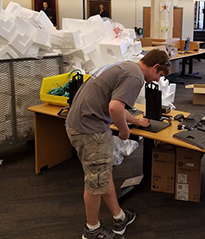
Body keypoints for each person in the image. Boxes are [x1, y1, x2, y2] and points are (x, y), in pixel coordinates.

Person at [66, 49, 170, 239]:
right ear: (155, 67)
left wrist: (136, 122)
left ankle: (119, 216)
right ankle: (91, 229)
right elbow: (114, 108)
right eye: (159, 75)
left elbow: (115, 105)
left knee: (102, 174)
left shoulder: (126, 66)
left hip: (81, 123)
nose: (156, 81)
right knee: (95, 182)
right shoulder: (135, 77)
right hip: (90, 130)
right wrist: (124, 130)